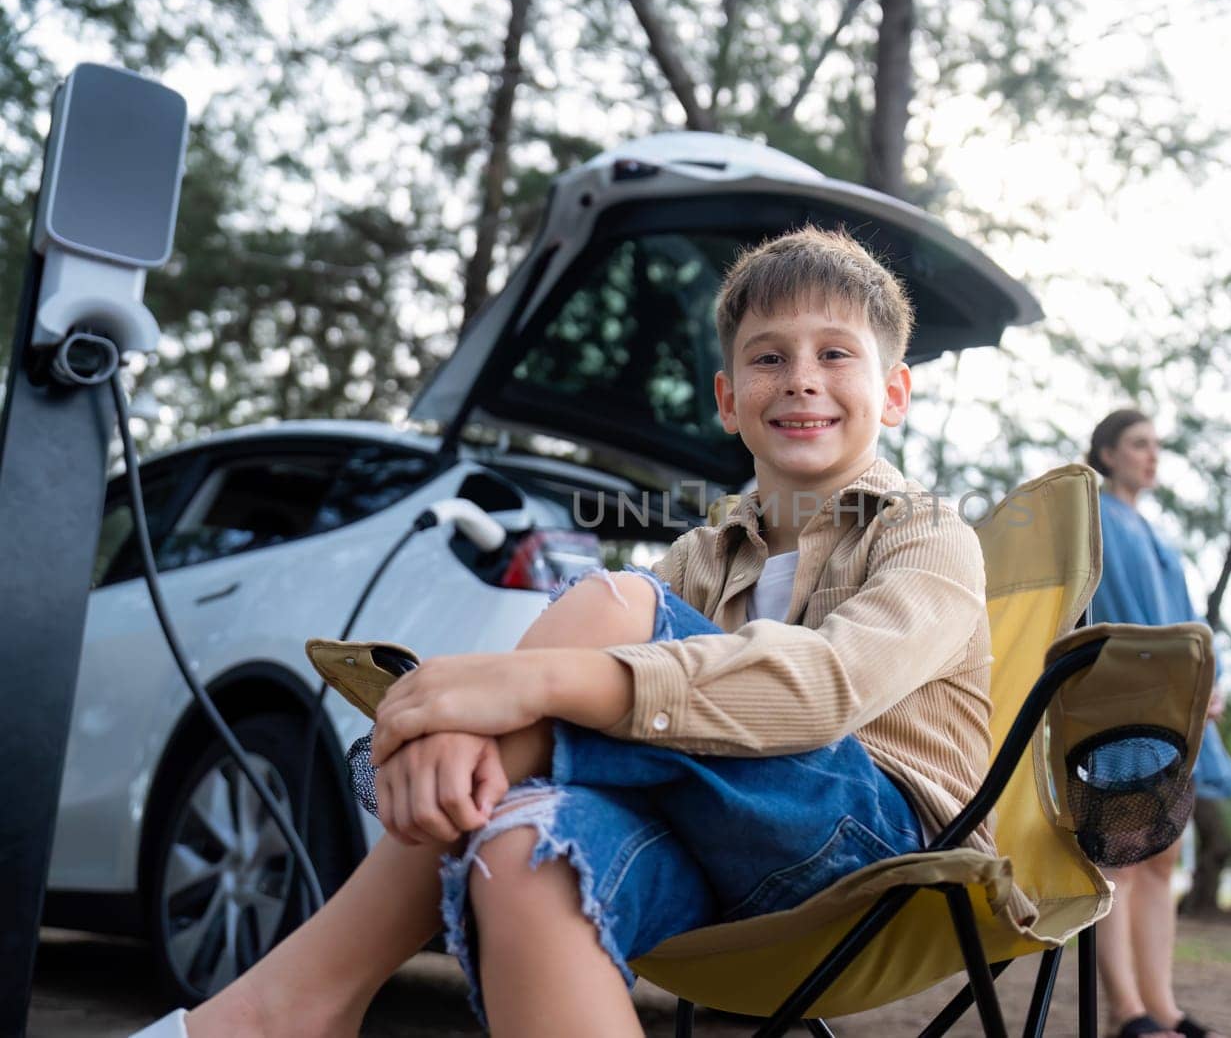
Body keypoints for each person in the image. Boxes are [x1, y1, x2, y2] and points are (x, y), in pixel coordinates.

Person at [138, 227, 996, 1037]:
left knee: (614, 605)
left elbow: (829, 687)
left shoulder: (924, 532)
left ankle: (294, 1002)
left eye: (835, 353)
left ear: (892, 394)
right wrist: (492, 716)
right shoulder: (701, 556)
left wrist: (527, 685)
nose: (802, 377)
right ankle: (300, 1002)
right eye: (769, 356)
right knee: (519, 845)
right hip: (715, 851)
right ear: (729, 401)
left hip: (881, 848)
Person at [1083, 408, 1231, 1038]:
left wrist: (1211, 680)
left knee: (1163, 861)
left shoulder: (1156, 532)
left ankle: (1165, 1007)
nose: (1152, 456)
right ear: (1106, 453)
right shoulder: (1091, 516)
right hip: (1124, 701)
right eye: (1138, 444)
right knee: (1121, 860)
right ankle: (1127, 1011)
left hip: (1179, 703)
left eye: (1157, 446)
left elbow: (1187, 617)